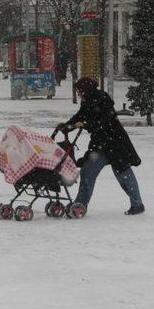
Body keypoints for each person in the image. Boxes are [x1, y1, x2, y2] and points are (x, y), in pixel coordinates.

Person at [57, 77, 144, 217]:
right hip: (102, 143)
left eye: (79, 91)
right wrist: (67, 126)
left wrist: (86, 125)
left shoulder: (100, 99)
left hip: (114, 143)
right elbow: (81, 116)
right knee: (90, 171)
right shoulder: (88, 101)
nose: (78, 94)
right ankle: (80, 204)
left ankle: (137, 204)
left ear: (86, 90)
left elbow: (105, 121)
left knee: (122, 174)